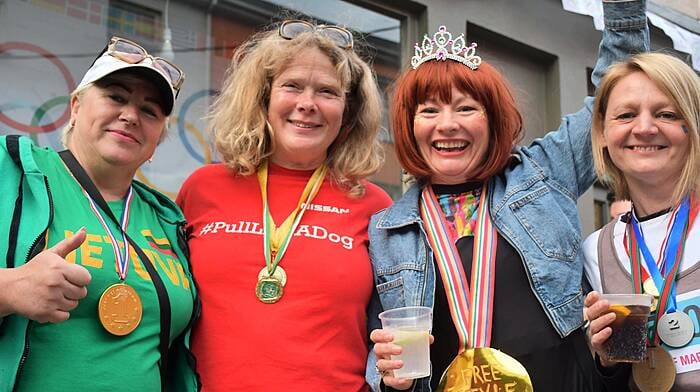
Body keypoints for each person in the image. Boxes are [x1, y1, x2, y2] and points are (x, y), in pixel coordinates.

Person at [367, 1, 650, 391]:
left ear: (493, 119)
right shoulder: (388, 229)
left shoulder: (542, 172)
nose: (447, 125)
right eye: (429, 110)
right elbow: (386, 355)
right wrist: (392, 380)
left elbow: (615, 90)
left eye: (466, 108)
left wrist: (624, 10)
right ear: (409, 125)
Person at [176, 19, 392, 391]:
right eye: (292, 86)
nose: (307, 104)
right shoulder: (202, 188)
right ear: (264, 98)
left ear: (348, 111)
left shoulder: (374, 204)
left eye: (327, 91)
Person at [0, 37, 198, 391]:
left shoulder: (167, 220)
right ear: (75, 106)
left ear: (157, 142)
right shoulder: (9, 170)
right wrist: (9, 289)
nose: (130, 115)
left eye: (150, 111)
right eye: (116, 97)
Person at [582, 52, 700, 391]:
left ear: (691, 127)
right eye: (626, 115)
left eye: (666, 114)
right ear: (603, 133)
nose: (645, 128)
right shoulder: (596, 251)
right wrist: (605, 360)